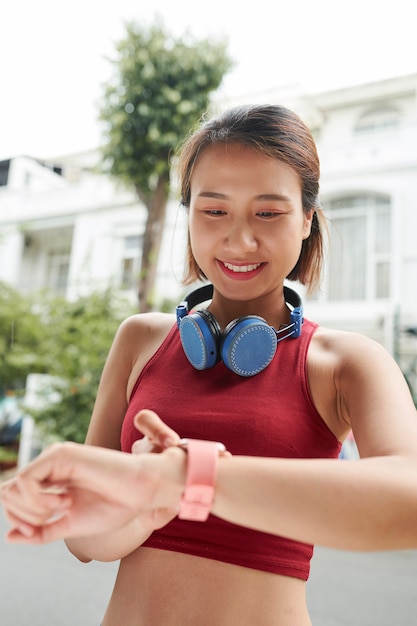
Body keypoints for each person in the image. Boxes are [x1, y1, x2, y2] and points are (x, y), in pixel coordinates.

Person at [2, 104, 417, 626]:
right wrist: (145, 498)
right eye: (214, 211)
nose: (239, 241)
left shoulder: (347, 362)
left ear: (308, 219)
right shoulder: (140, 339)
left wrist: (186, 478)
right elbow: (88, 543)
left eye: (268, 213)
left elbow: (409, 500)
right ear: (190, 212)